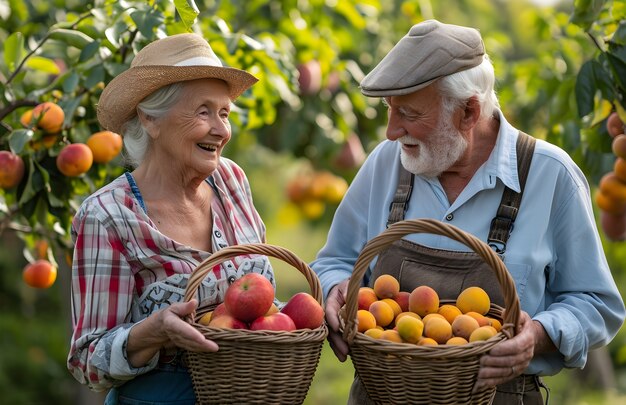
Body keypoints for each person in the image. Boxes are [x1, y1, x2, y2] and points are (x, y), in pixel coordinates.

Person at [311, 19, 626, 404]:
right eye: (390, 111)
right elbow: (335, 260)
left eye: (408, 114)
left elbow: (597, 304)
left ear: (468, 112)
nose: (392, 131)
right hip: (384, 392)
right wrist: (334, 289)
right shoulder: (386, 164)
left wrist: (539, 335)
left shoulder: (549, 176)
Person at [66, 33, 274, 405]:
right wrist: (153, 331)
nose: (221, 130)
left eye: (224, 113)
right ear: (150, 119)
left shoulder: (231, 180)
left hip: (249, 389)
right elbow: (87, 361)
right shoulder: (108, 216)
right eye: (203, 111)